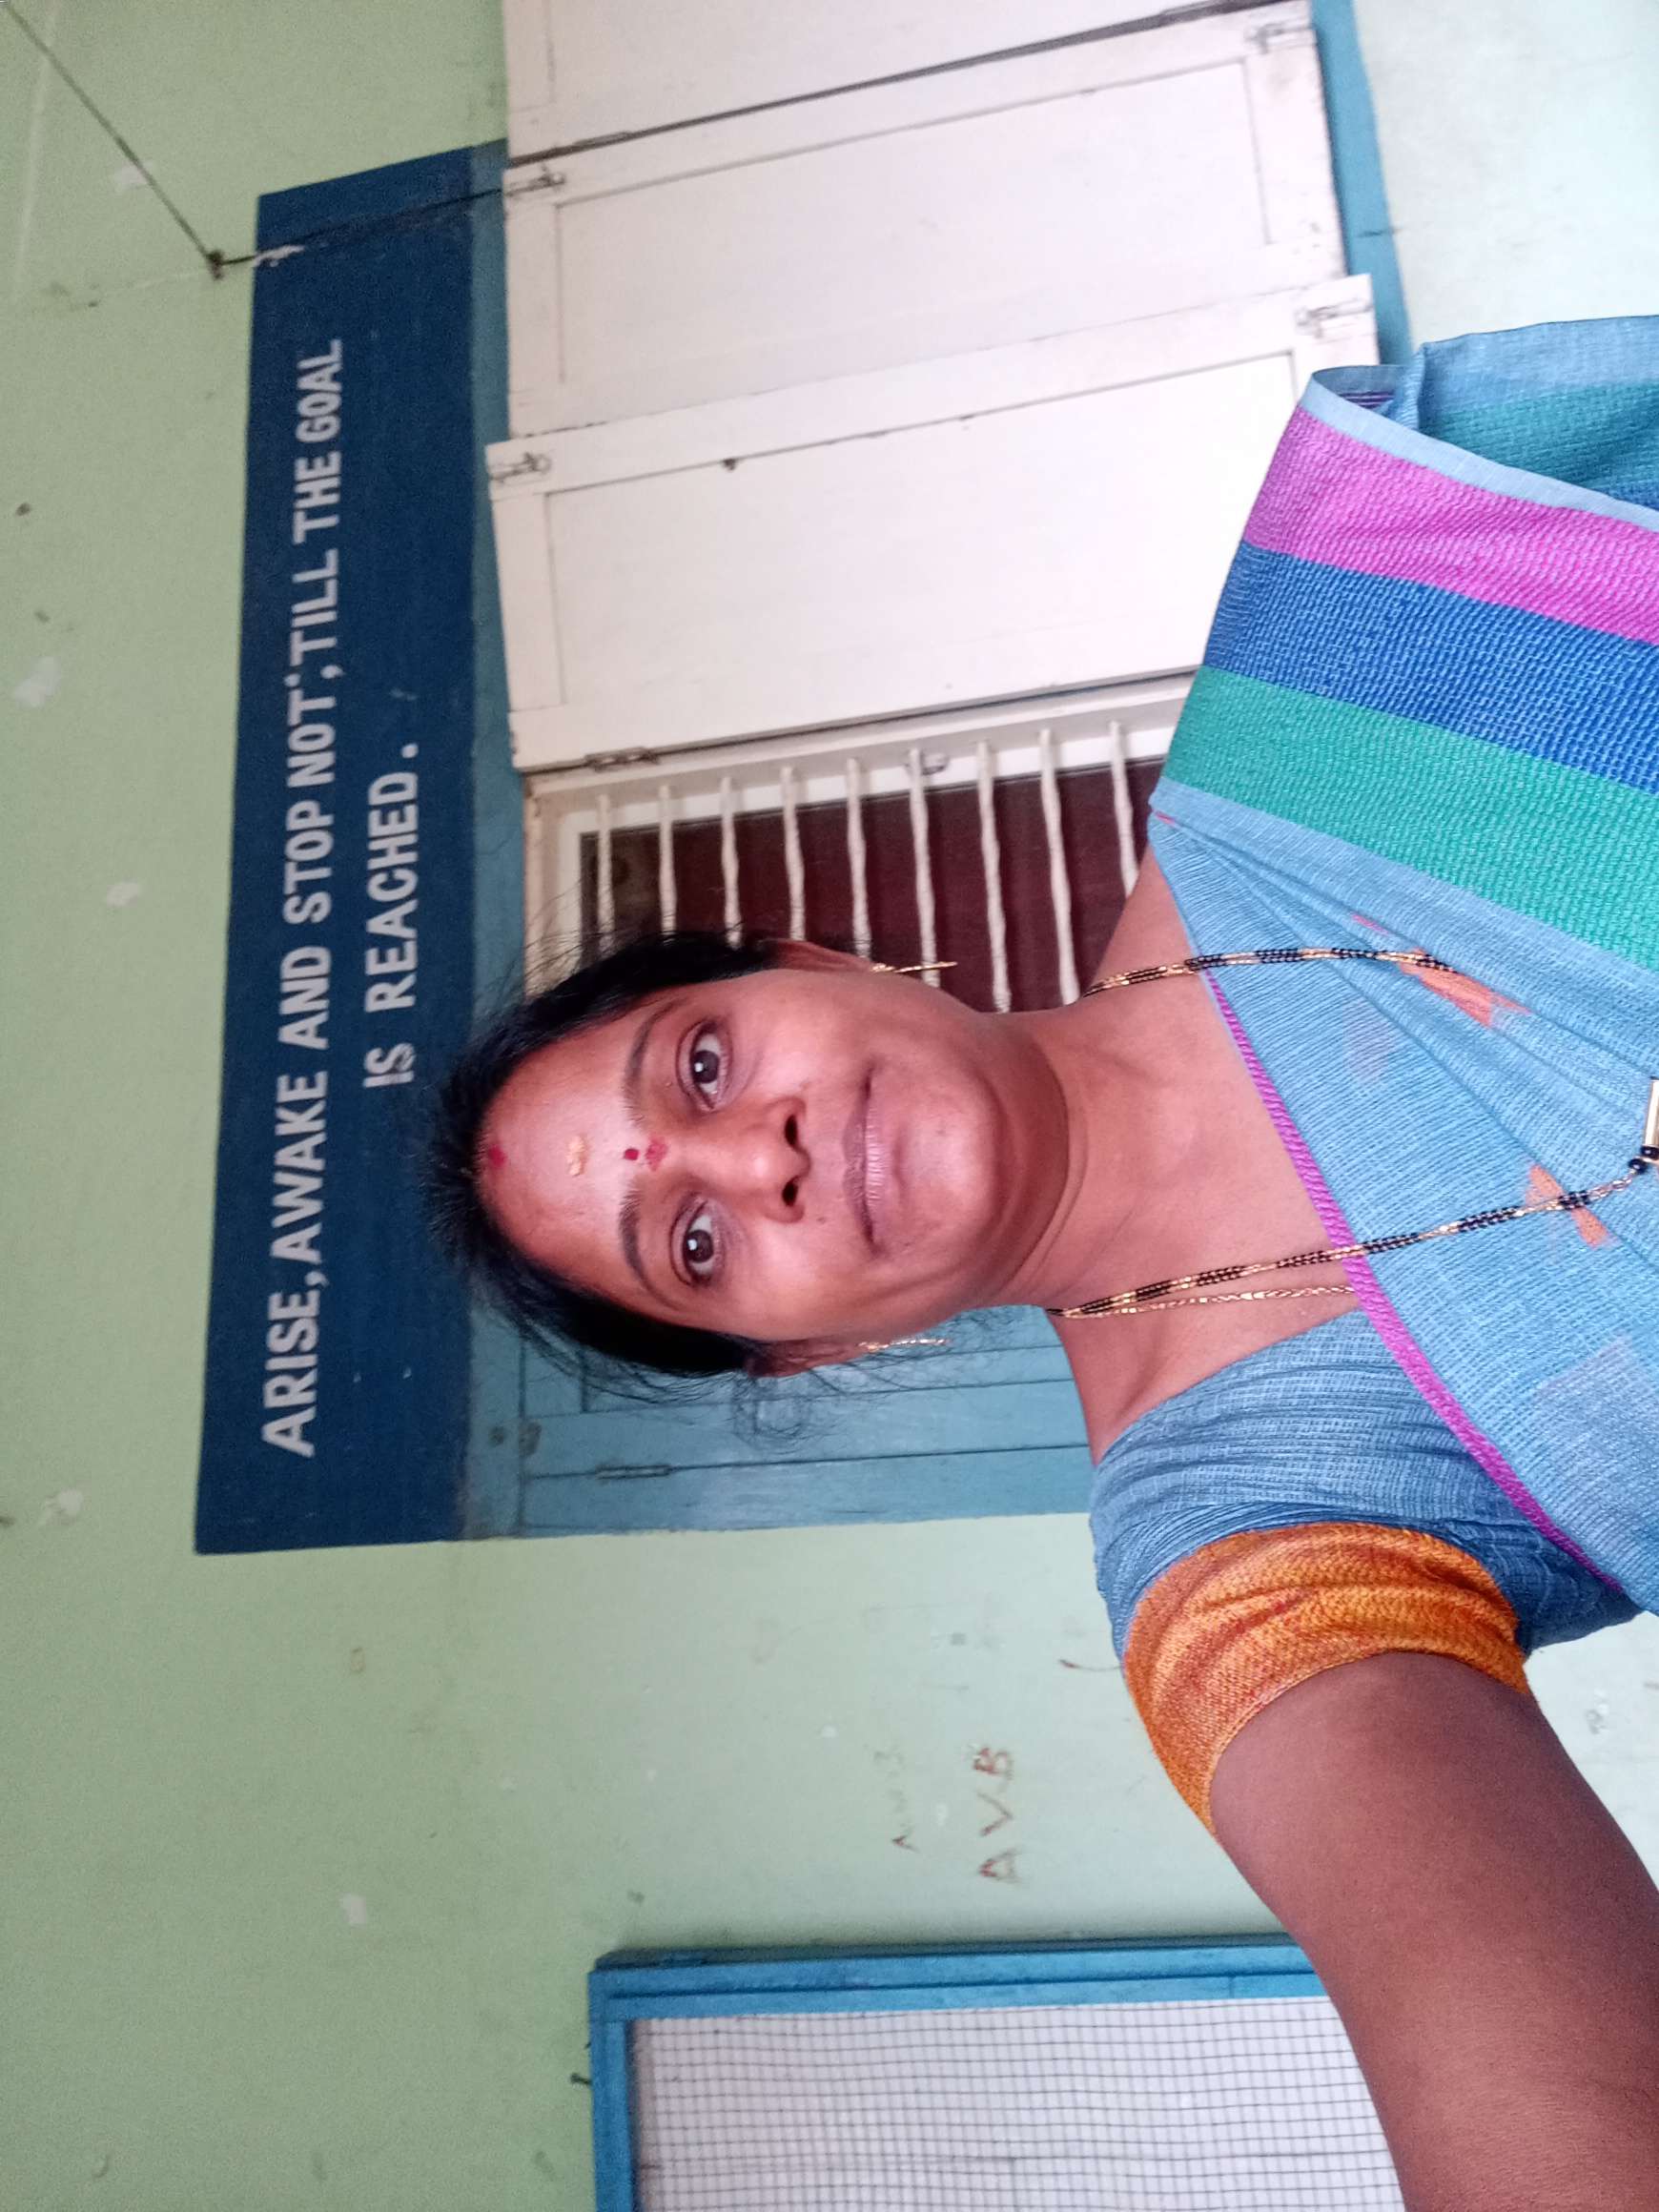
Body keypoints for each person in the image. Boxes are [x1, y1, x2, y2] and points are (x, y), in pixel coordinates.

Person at [431, 318, 1659, 2210]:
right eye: (692, 1243)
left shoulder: (1351, 655)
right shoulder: (1250, 1553)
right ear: (793, 1357)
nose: (758, 1157)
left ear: (814, 958)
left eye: (701, 1065)